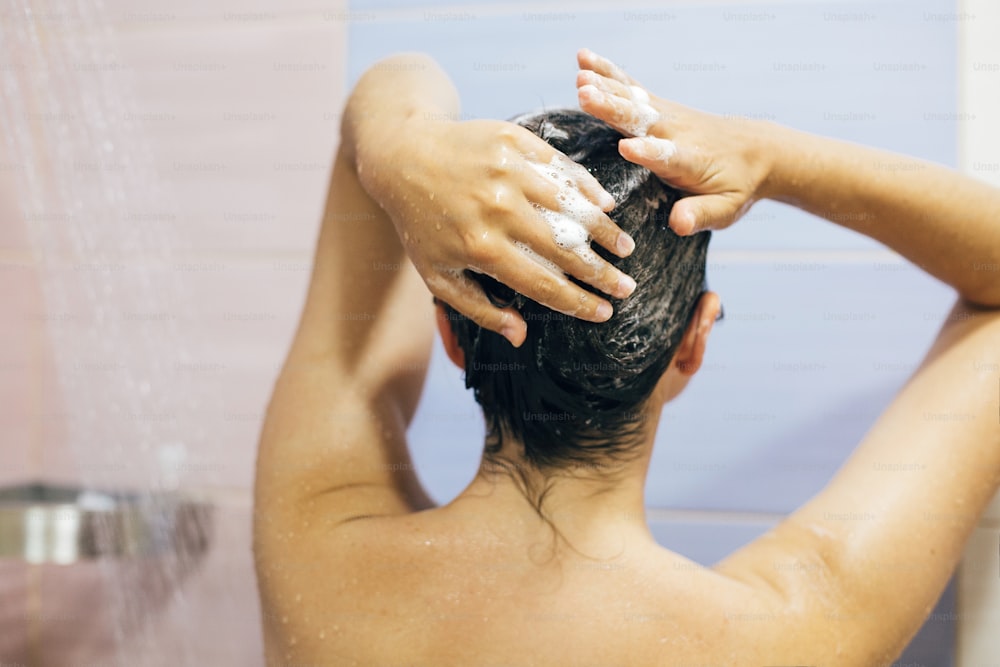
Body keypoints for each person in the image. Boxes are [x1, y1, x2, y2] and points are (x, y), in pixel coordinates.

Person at [253, 48, 1000, 666]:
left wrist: (402, 144)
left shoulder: (315, 556)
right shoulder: (789, 633)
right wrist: (771, 157)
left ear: (452, 332)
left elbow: (389, 90)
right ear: (693, 344)